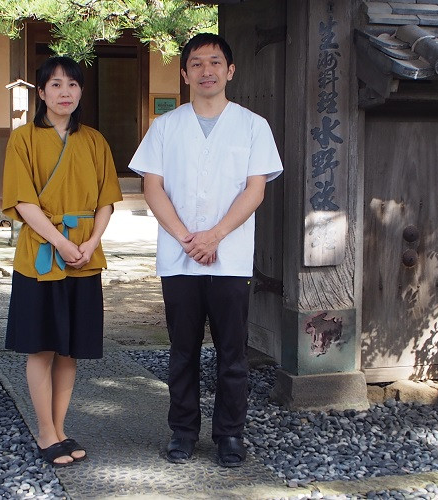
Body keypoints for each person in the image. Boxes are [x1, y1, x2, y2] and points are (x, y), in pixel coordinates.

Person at [129, 33, 283, 467]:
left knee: (233, 353)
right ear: (185, 74)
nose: (207, 71)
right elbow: (152, 186)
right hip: (179, 259)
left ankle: (230, 435)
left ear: (230, 71)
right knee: (182, 350)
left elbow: (255, 191)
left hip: (230, 258)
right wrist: (186, 238)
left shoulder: (253, 126)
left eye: (215, 62)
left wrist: (213, 236)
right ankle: (182, 431)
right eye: (196, 64)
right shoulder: (165, 126)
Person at [2, 56, 122, 467]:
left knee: (69, 350)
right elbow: (21, 200)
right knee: (42, 347)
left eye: (72, 85)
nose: (65, 92)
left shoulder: (94, 140)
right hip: (40, 254)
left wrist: (90, 244)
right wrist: (60, 242)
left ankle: (61, 426)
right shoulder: (23, 139)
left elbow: (107, 200)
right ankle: (45, 431)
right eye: (55, 85)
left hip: (84, 255)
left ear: (81, 91)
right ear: (41, 92)